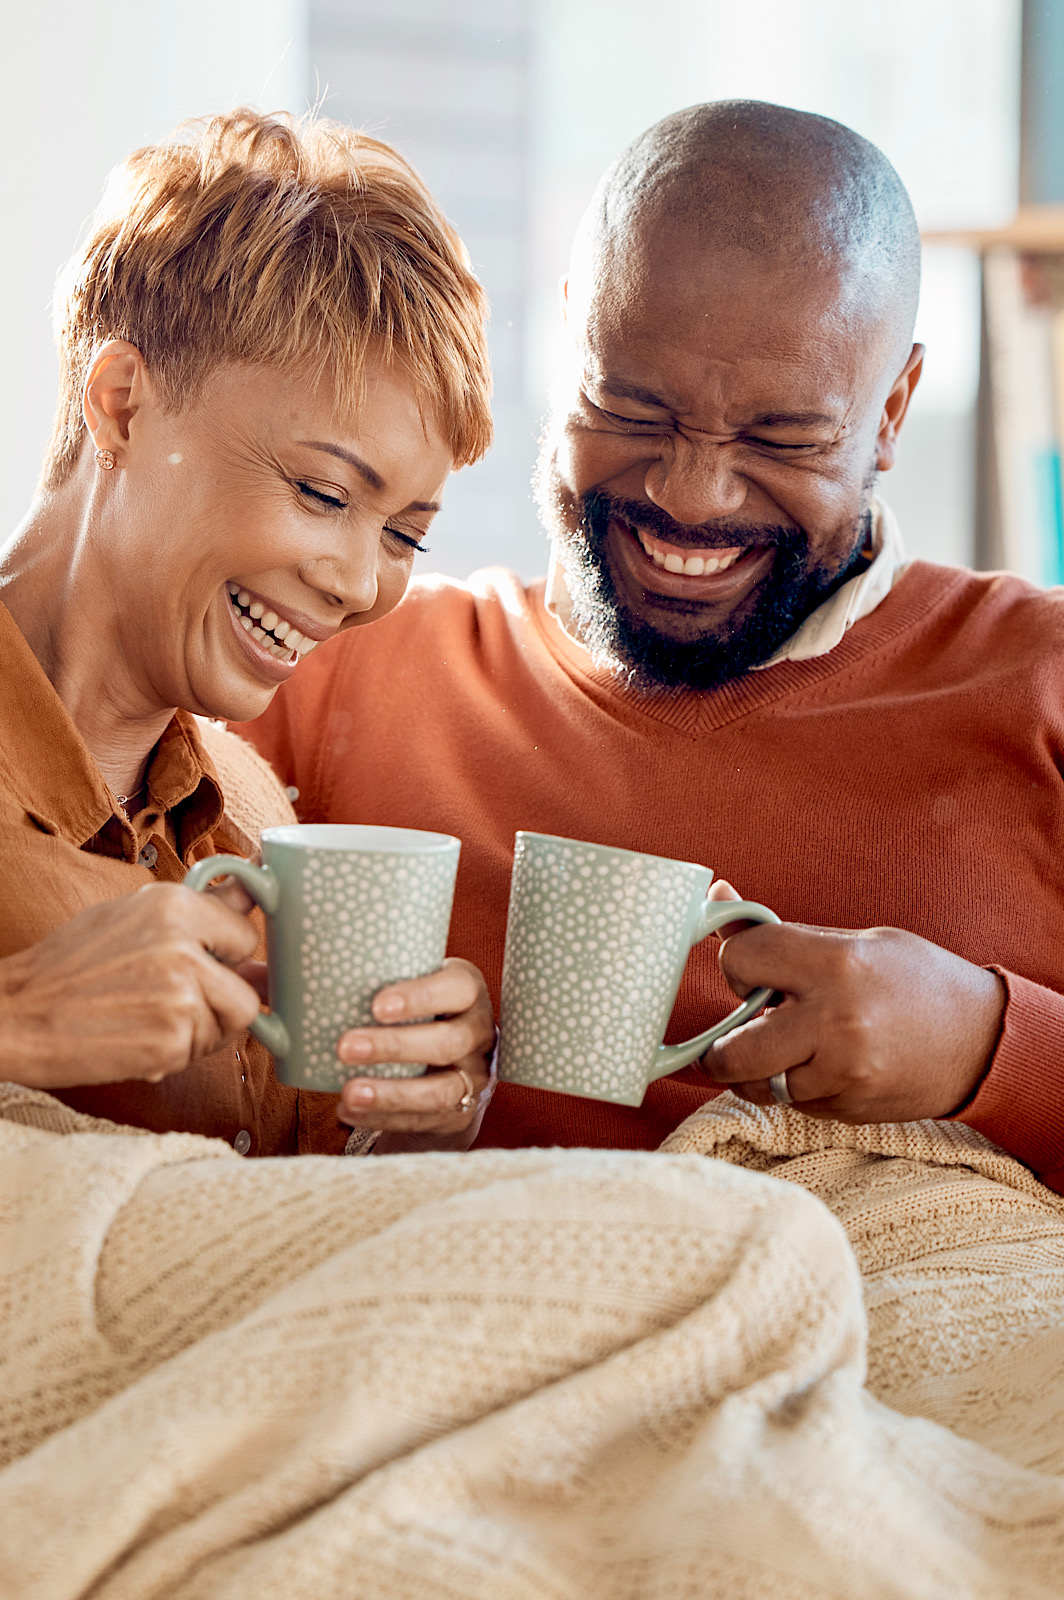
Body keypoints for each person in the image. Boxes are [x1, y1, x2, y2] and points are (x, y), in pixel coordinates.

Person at [243, 100, 1064, 1193]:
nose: (690, 493)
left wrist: (988, 1045)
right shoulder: (343, 656)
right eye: (631, 407)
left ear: (893, 411)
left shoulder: (1040, 681)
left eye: (782, 437)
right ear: (570, 332)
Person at [0, 109, 501, 1156]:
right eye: (323, 490)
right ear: (120, 405)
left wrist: (419, 1112)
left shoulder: (246, 806)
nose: (357, 583)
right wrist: (16, 1011)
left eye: (405, 536)